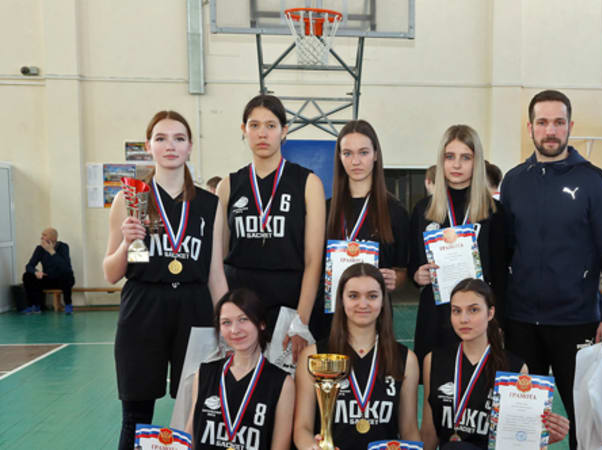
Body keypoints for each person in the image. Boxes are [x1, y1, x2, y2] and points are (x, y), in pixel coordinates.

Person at [500, 90, 602, 450]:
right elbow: (505, 252)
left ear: (571, 126)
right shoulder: (514, 181)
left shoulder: (593, 180)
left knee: (584, 422)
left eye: (558, 122)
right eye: (542, 122)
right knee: (523, 422)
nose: (550, 130)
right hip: (521, 322)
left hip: (576, 322)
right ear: (530, 128)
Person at [103, 110, 229, 450]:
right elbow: (112, 273)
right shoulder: (131, 199)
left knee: (198, 410)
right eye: (161, 138)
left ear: (190, 147)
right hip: (143, 306)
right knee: (136, 415)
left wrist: (227, 323)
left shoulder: (209, 204)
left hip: (194, 307)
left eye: (179, 138)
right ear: (149, 146)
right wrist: (128, 243)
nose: (170, 146)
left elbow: (215, 273)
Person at [216, 94, 326, 363]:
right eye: (254, 125)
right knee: (245, 383)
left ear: (284, 131)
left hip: (289, 304)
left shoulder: (308, 183)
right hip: (242, 306)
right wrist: (225, 316)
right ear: (244, 130)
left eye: (271, 125)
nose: (262, 133)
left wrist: (301, 320)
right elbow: (217, 261)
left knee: (287, 385)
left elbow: (313, 260)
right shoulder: (228, 186)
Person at [421, 278, 568, 449]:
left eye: (473, 310)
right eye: (456, 311)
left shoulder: (514, 368)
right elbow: (429, 432)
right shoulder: (433, 360)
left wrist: (540, 437)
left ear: (490, 313)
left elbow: (519, 440)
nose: (464, 319)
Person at [409, 125, 507, 365]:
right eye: (450, 157)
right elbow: (412, 264)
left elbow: (501, 275)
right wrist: (417, 275)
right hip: (435, 314)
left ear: (477, 162)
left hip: (477, 317)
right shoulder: (423, 210)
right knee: (435, 381)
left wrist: (499, 322)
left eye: (466, 157)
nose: (456, 165)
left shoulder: (495, 212)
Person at [294, 263, 421, 450]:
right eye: (353, 296)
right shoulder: (314, 356)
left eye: (372, 296)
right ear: (341, 300)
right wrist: (312, 447)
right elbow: (302, 428)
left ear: (383, 301)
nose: (363, 304)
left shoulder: (406, 360)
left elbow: (409, 430)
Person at [312, 120, 410, 338]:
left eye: (363, 152)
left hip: (374, 320)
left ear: (375, 155)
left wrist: (394, 279)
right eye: (347, 153)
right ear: (339, 157)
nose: (355, 161)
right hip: (328, 319)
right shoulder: (324, 210)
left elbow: (403, 272)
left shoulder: (396, 212)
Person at [187, 289, 294, 450]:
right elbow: (190, 437)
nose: (235, 330)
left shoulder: (282, 383)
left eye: (243, 319)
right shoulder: (204, 374)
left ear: (261, 323)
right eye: (226, 322)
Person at [22, 227, 75, 314]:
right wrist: (36, 272)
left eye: (44, 235)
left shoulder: (63, 247)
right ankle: (33, 305)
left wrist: (51, 251)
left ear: (53, 237)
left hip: (63, 280)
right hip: (48, 279)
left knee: (67, 274)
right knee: (27, 276)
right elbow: (29, 266)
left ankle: (68, 304)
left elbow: (65, 267)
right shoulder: (40, 249)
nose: (41, 237)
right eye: (42, 235)